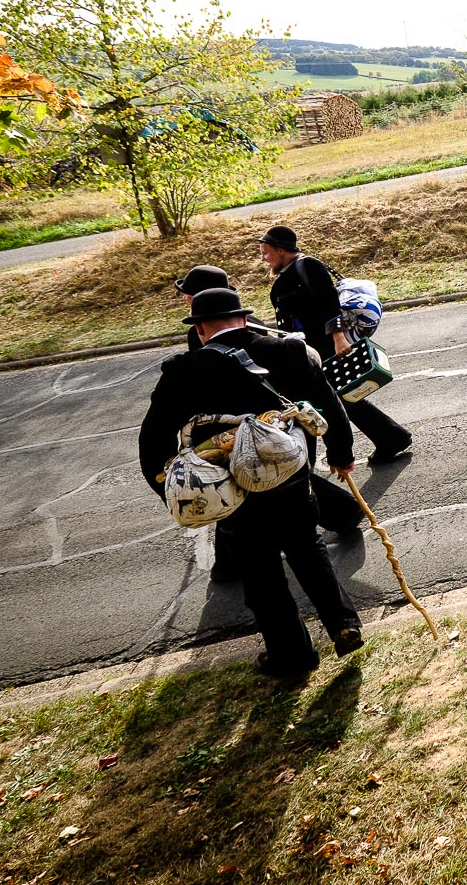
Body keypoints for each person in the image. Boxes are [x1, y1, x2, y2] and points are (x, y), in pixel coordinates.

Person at [138, 287, 364, 678]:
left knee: (261, 571)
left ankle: (292, 657)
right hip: (291, 475)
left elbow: (152, 442)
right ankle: (344, 625)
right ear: (243, 319)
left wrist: (170, 490)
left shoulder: (181, 372)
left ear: (202, 330)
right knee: (308, 550)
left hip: (230, 489)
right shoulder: (288, 352)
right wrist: (341, 454)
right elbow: (329, 405)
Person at [174, 264, 363, 582]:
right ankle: (232, 564)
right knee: (265, 486)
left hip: (267, 432)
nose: (185, 300)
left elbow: (323, 400)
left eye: (188, 294)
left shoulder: (213, 337)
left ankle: (239, 564)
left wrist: (340, 450)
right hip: (264, 434)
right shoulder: (229, 328)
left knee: (260, 490)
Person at [260, 226, 413, 466]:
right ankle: (391, 437)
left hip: (326, 345)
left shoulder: (308, 266)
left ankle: (390, 437)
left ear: (281, 251)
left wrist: (338, 336)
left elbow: (329, 301)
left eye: (266, 252)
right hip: (309, 349)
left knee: (336, 399)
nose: (263, 258)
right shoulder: (285, 278)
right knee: (339, 398)